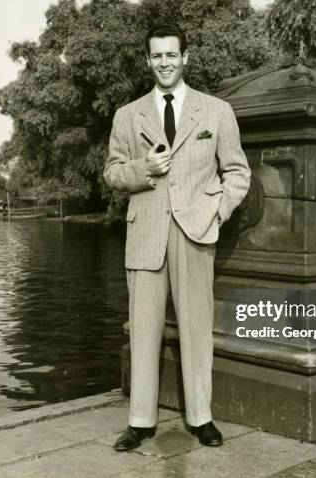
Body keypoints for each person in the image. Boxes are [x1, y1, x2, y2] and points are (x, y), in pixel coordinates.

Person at [104, 23, 251, 451]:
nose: (164, 63)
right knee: (143, 330)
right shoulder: (127, 115)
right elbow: (112, 173)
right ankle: (140, 421)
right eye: (156, 56)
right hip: (145, 232)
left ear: (186, 58)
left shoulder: (216, 110)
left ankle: (201, 418)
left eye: (171, 55)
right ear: (147, 60)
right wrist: (144, 169)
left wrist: (216, 212)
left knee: (197, 328)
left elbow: (238, 173)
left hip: (196, 232)